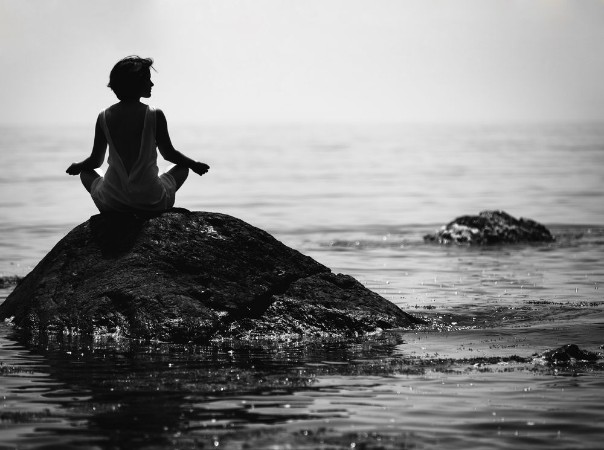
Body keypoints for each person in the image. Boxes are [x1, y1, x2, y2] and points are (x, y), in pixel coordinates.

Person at [66, 56, 209, 214]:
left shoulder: (104, 116)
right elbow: (169, 154)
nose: (152, 84)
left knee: (86, 172)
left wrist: (78, 166)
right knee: (183, 166)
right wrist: (194, 164)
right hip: (151, 201)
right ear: (136, 83)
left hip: (113, 202)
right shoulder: (155, 114)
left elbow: (95, 161)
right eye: (148, 79)